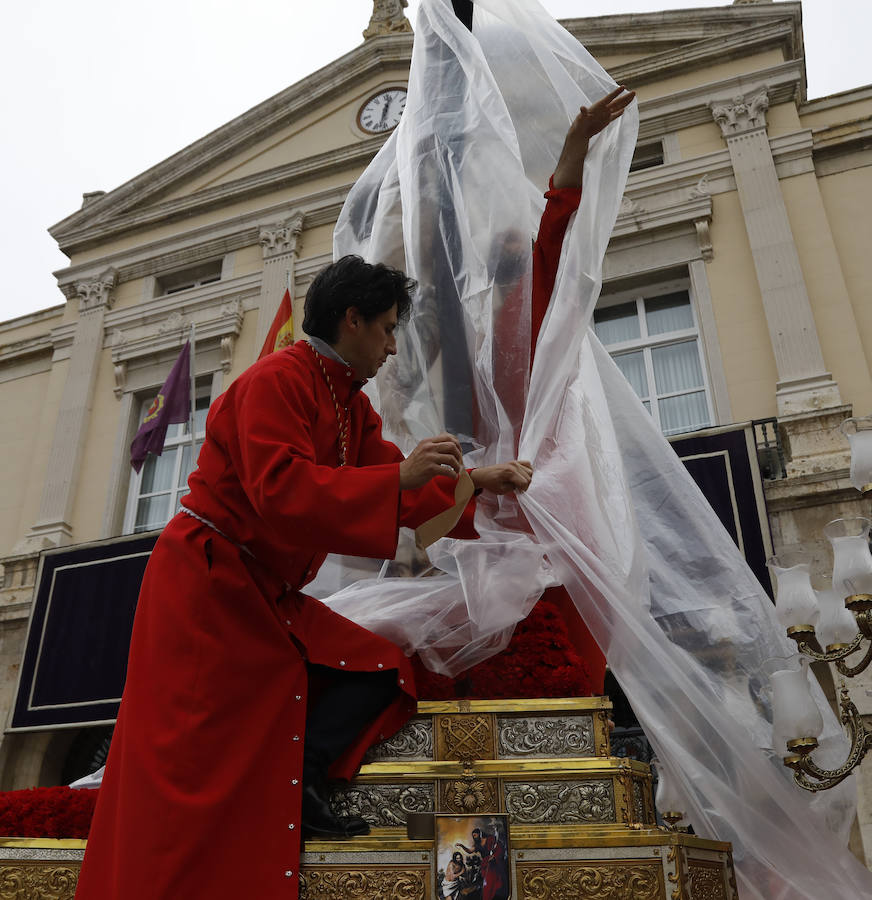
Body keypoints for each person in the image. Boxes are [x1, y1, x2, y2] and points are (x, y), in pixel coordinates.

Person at [74, 255, 533, 900]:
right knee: (193, 756)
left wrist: (477, 482)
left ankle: (304, 780)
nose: (393, 346)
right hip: (209, 586)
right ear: (352, 321)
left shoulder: (350, 404)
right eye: (387, 329)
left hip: (267, 590)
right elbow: (281, 492)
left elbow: (397, 489)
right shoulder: (276, 380)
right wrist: (398, 478)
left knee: (376, 666)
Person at [456, 826, 508, 900]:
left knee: (495, 882)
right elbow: (469, 851)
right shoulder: (478, 845)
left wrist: (494, 856)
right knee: (487, 883)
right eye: (473, 836)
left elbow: (499, 848)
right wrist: (461, 846)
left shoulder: (490, 839)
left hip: (495, 864)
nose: (474, 837)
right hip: (486, 865)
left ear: (480, 834)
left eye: (475, 835)